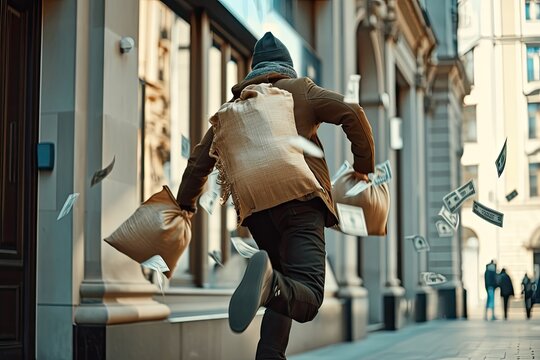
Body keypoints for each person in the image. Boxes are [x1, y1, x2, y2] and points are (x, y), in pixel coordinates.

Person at [176, 31, 375, 359]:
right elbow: (351, 114)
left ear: (253, 70)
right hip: (300, 203)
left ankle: (269, 345)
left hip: (258, 217)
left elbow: (199, 161)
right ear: (287, 68)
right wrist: (363, 165)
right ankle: (268, 284)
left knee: (285, 289)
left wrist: (185, 203)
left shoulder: (232, 109)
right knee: (307, 295)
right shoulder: (300, 91)